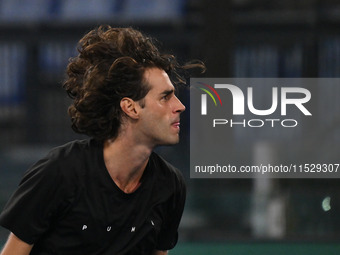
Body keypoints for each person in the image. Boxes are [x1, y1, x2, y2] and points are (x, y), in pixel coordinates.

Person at [0, 25, 203, 255]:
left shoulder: (170, 185)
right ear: (130, 107)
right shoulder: (59, 172)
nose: (180, 106)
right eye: (165, 97)